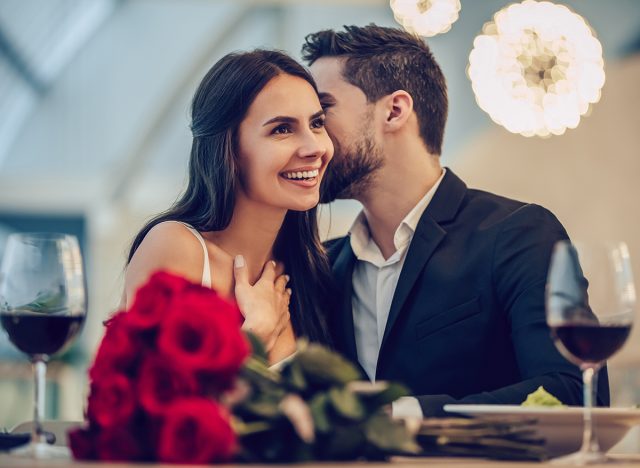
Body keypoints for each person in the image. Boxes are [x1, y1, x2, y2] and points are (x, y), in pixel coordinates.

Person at [301, 24, 609, 416]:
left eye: (322, 112)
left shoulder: (519, 234)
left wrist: (406, 415)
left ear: (394, 110)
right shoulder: (324, 266)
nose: (311, 140)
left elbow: (575, 392)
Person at [124, 50, 334, 364]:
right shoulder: (176, 247)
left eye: (317, 124)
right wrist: (255, 337)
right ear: (229, 149)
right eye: (282, 129)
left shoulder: (307, 268)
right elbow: (148, 404)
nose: (315, 147)